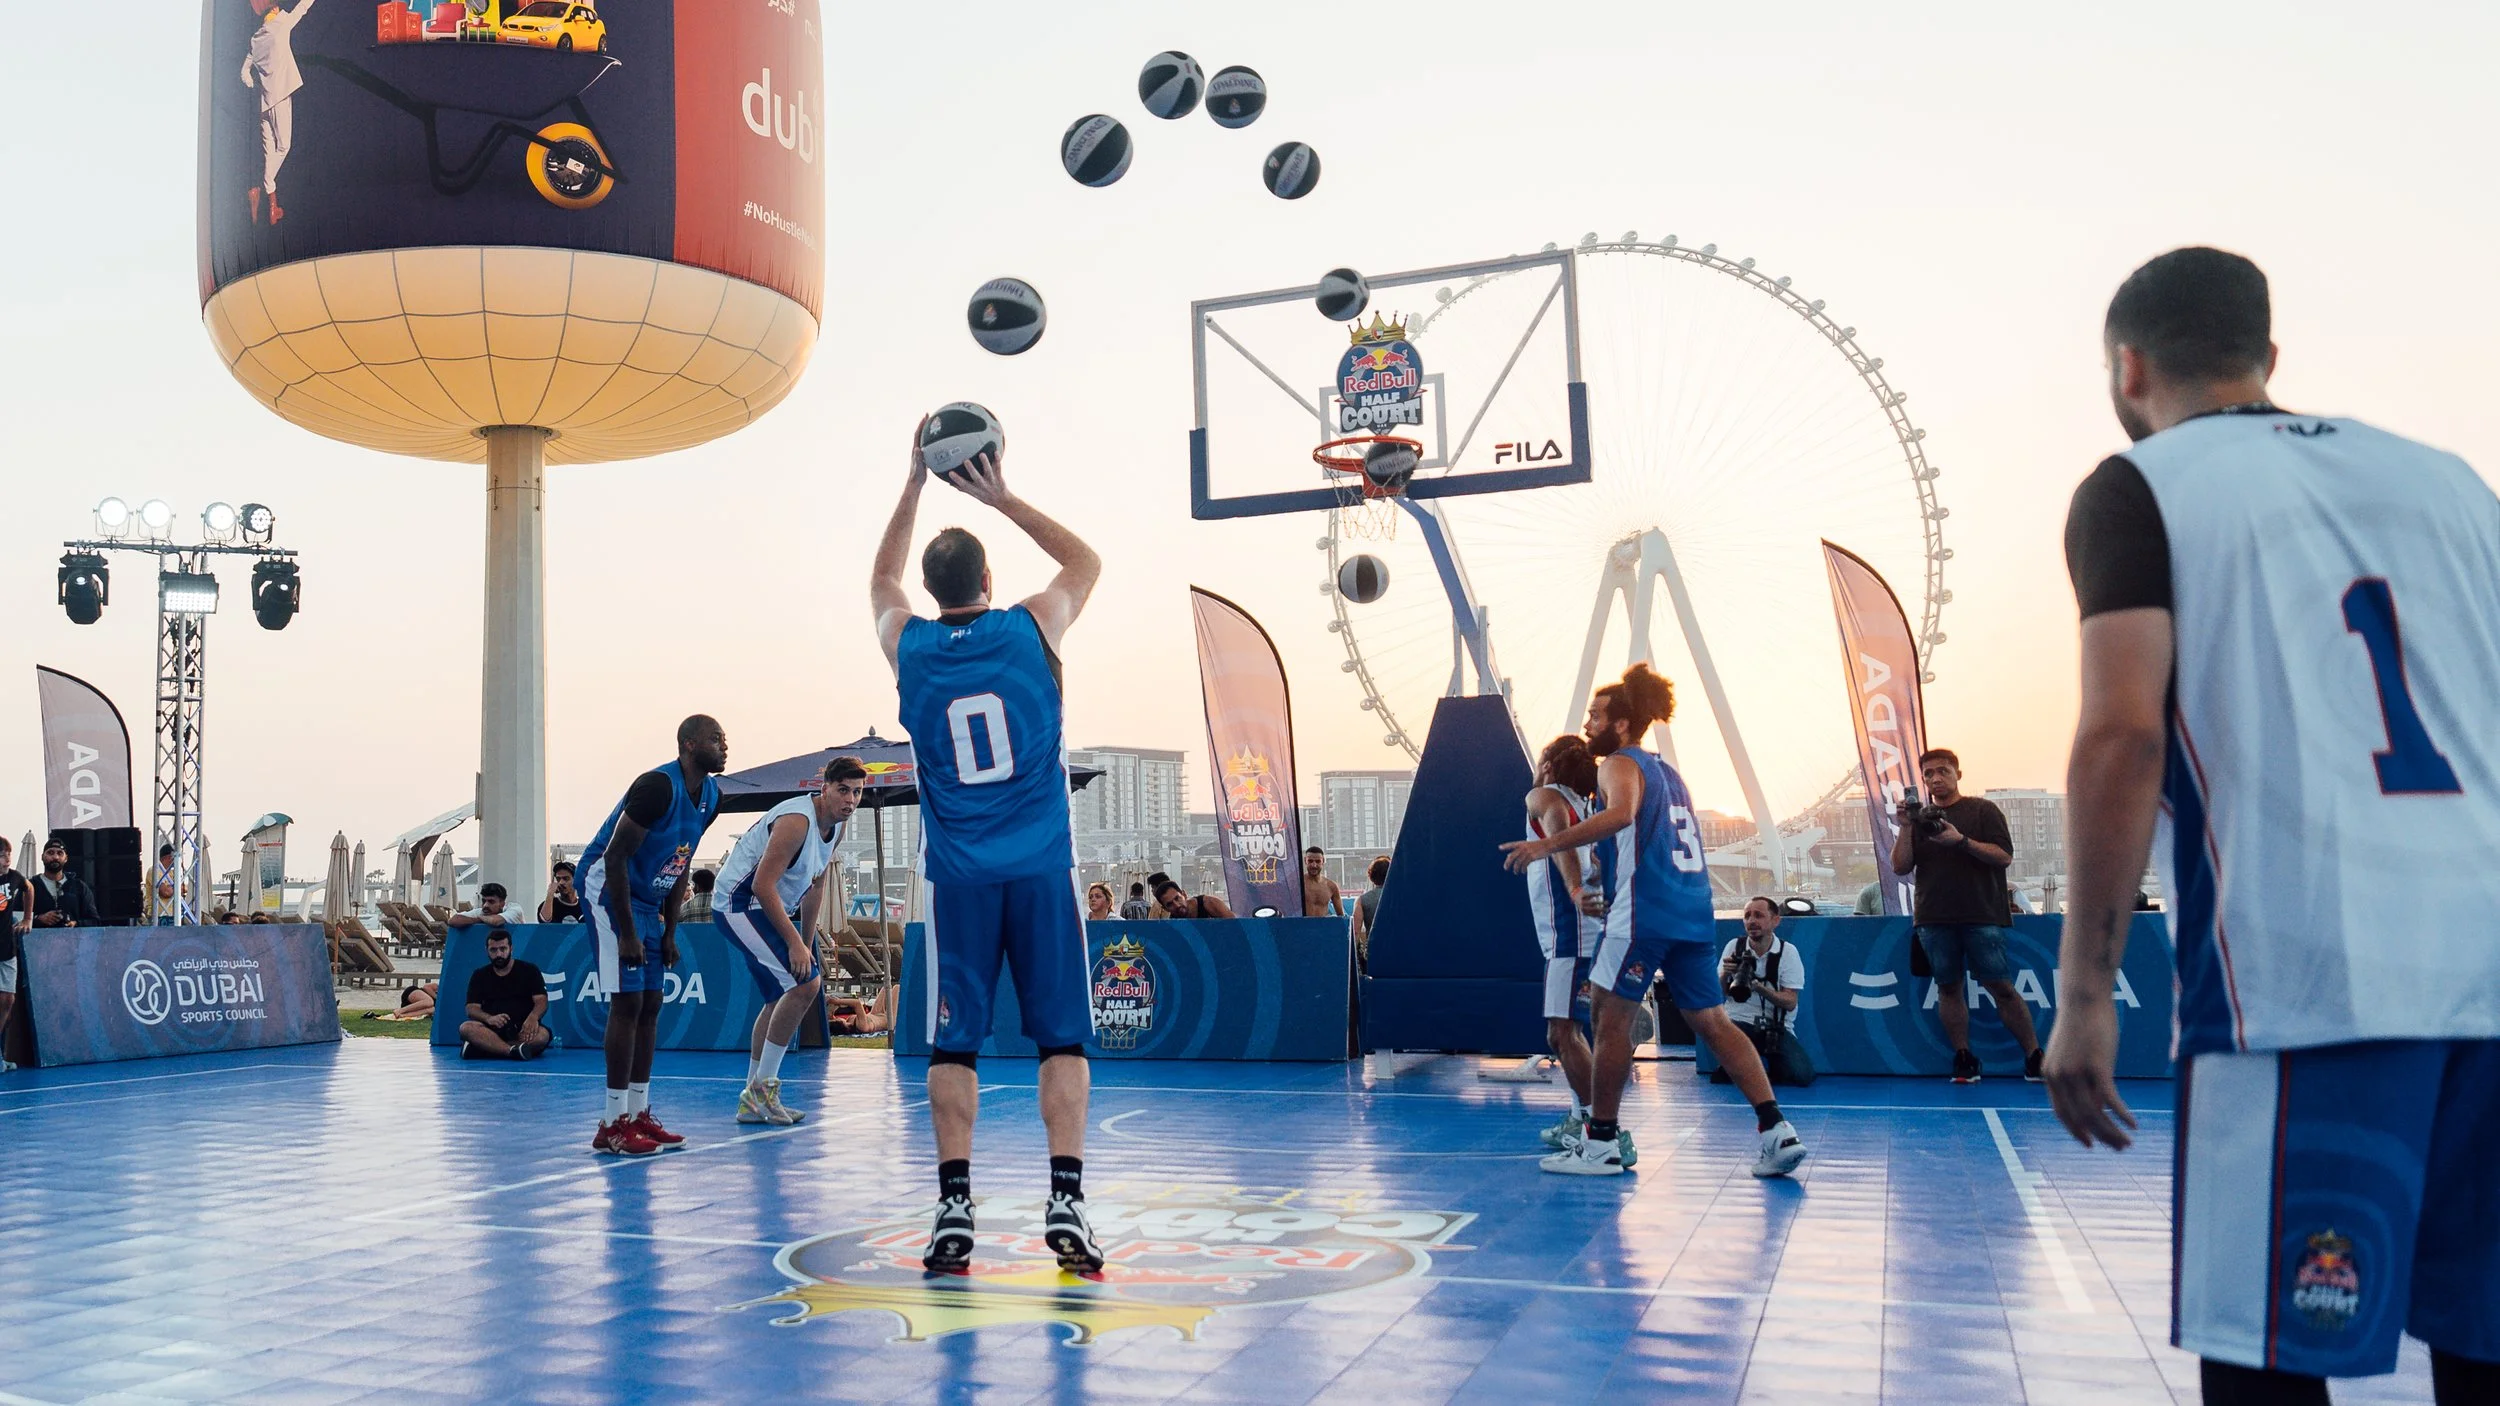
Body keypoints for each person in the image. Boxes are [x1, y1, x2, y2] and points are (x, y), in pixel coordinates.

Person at [2045, 247, 2500, 1406]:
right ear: (2270, 358)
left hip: (2304, 978)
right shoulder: (2451, 482)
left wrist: (2086, 989)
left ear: (2126, 365)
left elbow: (2121, 736)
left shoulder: (2139, 485)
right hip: (2487, 965)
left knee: (2269, 1357)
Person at [871, 419, 1106, 1275]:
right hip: (1042, 870)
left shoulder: (914, 648)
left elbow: (881, 579)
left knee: (953, 1046)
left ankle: (954, 1206)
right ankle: (1067, 1199)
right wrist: (999, 494)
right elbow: (1084, 562)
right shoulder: (1030, 628)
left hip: (959, 879)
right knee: (1062, 1044)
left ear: (932, 591)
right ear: (988, 579)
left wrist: (912, 484)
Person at [1503, 663, 1808, 1179]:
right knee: (1712, 1021)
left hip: (1645, 913)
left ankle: (1599, 1140)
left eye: (1597, 716)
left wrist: (1546, 845)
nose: (1588, 724)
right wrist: (1599, 870)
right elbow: (1637, 835)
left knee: (1607, 1017)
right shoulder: (1669, 772)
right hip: (1693, 908)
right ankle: (1776, 1129)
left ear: (1621, 724)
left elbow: (1621, 815)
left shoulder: (1618, 764)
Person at [576, 715, 727, 1157]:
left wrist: (669, 930)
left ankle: (639, 1112)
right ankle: (612, 1123)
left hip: (648, 898)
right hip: (607, 888)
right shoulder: (657, 787)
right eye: (716, 739)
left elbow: (681, 862)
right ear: (688, 744)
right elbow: (616, 857)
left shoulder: (712, 796)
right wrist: (626, 932)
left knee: (652, 1003)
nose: (724, 745)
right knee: (628, 1002)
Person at [714, 757, 867, 1125]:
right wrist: (795, 945)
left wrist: (806, 940)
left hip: (765, 906)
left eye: (858, 792)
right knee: (804, 985)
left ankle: (754, 1099)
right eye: (843, 790)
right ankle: (762, 1091)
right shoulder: (797, 822)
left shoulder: (838, 828)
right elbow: (761, 885)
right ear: (824, 788)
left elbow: (816, 883)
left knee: (777, 997)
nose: (851, 799)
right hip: (738, 904)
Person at [1890, 748, 2042, 1083]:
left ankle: (2034, 1055)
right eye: (1928, 773)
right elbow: (1900, 866)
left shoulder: (1982, 810)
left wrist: (1960, 841)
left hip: (1981, 913)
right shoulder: (1917, 821)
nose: (1935, 779)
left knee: (2000, 985)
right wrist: (1904, 826)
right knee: (1948, 987)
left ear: (1959, 774)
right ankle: (1963, 1056)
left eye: (1942, 771)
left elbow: (2003, 857)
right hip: (1933, 916)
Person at [1521, 735, 1610, 1158]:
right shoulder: (1591, 807)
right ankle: (1582, 1118)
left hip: (1569, 936)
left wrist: (1574, 887)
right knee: (1571, 1032)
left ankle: (1601, 1130)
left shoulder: (1546, 795)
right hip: (1591, 934)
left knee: (1561, 1034)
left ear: (1550, 764)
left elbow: (1556, 822)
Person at [1716, 897, 1806, 1086]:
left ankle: (1758, 1067)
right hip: (1739, 1023)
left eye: (1759, 915)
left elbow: (1790, 1002)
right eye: (1747, 916)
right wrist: (1725, 974)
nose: (1751, 921)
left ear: (1775, 921)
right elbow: (1718, 994)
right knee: (1726, 1076)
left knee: (1800, 1075)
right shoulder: (1734, 947)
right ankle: (1742, 1065)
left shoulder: (1788, 952)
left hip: (1776, 1026)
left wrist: (1759, 988)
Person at [240, 0, 315, 224]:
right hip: (280, 98)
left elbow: (244, 73)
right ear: (274, 9)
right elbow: (302, 8)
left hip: (264, 103)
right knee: (283, 147)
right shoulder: (281, 25)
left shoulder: (255, 39)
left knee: (269, 153)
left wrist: (256, 83)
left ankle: (273, 206)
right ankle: (262, 189)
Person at [458, 931, 550, 1060]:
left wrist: (533, 1017)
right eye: (493, 950)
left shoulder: (529, 970)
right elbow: (471, 1008)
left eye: (503, 949)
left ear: (511, 949)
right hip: (491, 1029)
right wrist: (489, 1018)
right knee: (466, 1028)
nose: (499, 954)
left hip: (522, 1028)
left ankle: (482, 1048)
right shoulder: (479, 975)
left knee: (542, 1036)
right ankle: (511, 1051)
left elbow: (542, 1001)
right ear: (487, 950)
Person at [0, 840, 27, 1074]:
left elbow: (30, 889)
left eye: (8, 854)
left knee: (7, 1000)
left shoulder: (15, 877)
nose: (7, 858)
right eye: (1, 855)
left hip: (7, 950)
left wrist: (28, 919)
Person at [30, 840, 98, 929]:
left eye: (60, 853)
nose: (55, 857)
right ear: (42, 857)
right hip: (37, 941)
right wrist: (38, 919)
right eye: (50, 853)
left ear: (66, 858)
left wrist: (76, 924)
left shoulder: (79, 887)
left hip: (72, 941)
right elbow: (16, 918)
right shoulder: (30, 886)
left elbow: (94, 921)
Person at [1349, 856, 1389, 967]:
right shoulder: (1402, 897)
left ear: (1371, 877)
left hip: (1375, 951)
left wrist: (1355, 959)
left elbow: (1355, 931)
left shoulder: (1362, 900)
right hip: (1399, 950)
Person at [1153, 880, 1232, 919]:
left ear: (1184, 894)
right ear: (1165, 909)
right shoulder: (1173, 922)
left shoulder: (1210, 904)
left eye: (1177, 898)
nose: (1177, 905)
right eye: (1170, 904)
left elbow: (1237, 928)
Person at [446, 883, 514, 928]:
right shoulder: (481, 913)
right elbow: (452, 920)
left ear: (502, 904)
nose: (485, 905)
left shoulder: (513, 909)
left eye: (491, 902)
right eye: (484, 901)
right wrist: (479, 919)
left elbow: (496, 921)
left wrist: (480, 918)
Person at [1300, 848, 1343, 918]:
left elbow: (1341, 916)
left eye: (1318, 861)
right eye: (1310, 861)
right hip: (1301, 927)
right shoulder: (1297, 884)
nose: (1314, 865)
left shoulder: (1331, 886)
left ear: (1323, 861)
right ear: (1305, 861)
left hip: (1323, 927)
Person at [152, 843, 179, 925]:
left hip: (172, 915)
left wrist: (172, 888)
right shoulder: (155, 870)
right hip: (159, 916)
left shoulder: (172, 873)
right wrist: (175, 888)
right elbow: (165, 892)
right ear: (169, 857)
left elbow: (181, 889)